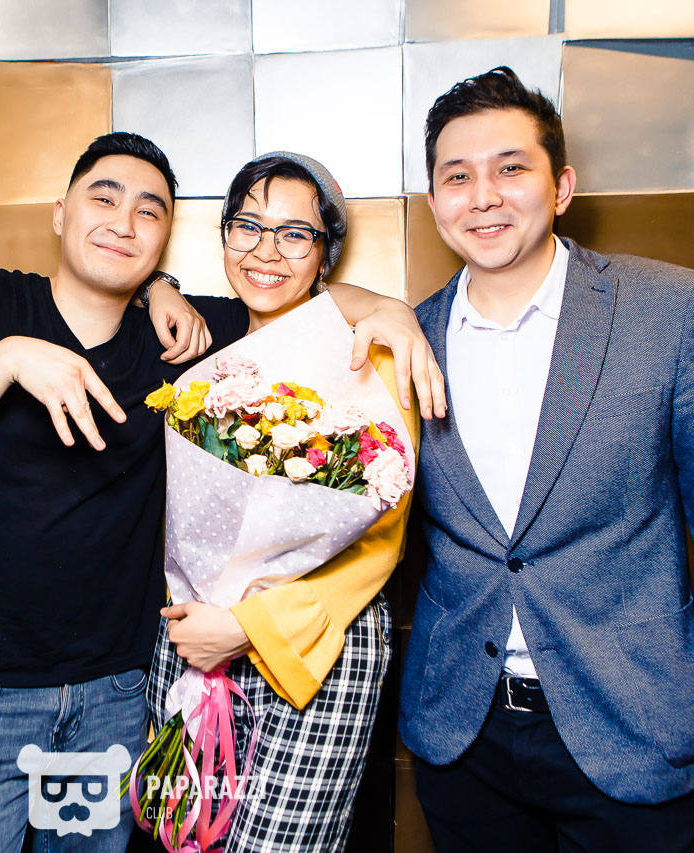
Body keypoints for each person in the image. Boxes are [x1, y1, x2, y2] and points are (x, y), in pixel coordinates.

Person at [0, 132, 440, 853]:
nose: (123, 222)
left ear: (165, 235)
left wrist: (391, 308)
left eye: (149, 211)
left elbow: (301, 299)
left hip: (115, 692)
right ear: (60, 211)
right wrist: (12, 357)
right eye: (103, 198)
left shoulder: (198, 336)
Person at [400, 66, 694, 851]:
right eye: (458, 176)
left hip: (632, 727)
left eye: (511, 168)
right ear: (434, 202)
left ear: (562, 186)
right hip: (460, 734)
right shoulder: (406, 338)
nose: (483, 196)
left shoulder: (669, 311)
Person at [145, 152, 418, 852]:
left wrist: (245, 625)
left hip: (312, 648)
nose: (266, 252)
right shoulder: (205, 341)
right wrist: (156, 284)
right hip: (192, 633)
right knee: (182, 835)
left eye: (295, 234)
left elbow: (378, 540)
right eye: (248, 226)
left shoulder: (370, 354)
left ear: (326, 252)